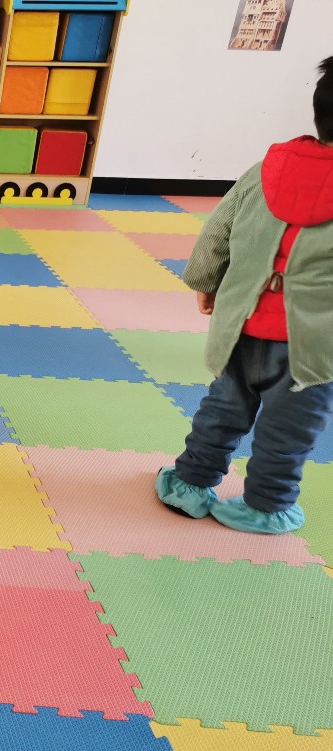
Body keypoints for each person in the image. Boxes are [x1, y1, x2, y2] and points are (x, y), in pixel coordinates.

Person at [155, 57, 333, 535]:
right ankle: (266, 505)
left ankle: (189, 484)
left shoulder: (267, 168)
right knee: (288, 431)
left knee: (223, 409)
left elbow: (218, 230)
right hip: (314, 347)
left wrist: (207, 281)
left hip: (242, 325)